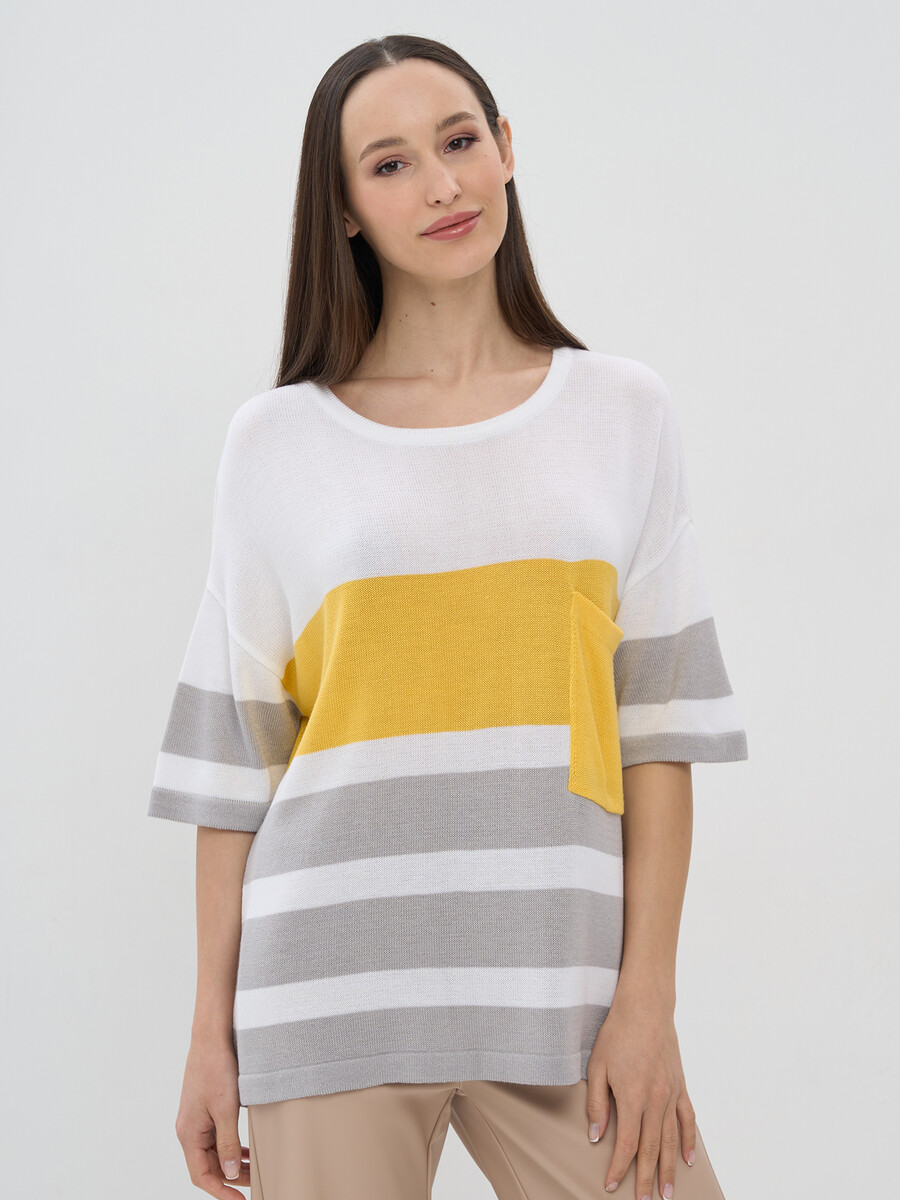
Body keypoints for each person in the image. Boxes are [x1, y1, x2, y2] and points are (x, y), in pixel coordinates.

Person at [148, 33, 748, 1200]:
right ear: (342, 210)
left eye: (460, 141)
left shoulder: (622, 412)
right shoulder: (277, 441)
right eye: (390, 164)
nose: (440, 184)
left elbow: (658, 731)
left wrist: (648, 1002)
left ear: (506, 149)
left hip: (567, 993)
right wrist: (208, 1035)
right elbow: (236, 765)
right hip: (330, 987)